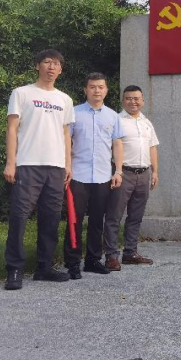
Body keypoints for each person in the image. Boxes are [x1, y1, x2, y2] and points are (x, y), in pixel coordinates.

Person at [3, 49, 75, 291]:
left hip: (55, 167)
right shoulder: (22, 93)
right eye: (47, 62)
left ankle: (44, 268)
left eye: (56, 64)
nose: (51, 67)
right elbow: (12, 129)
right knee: (19, 217)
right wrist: (11, 162)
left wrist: (68, 164)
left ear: (61, 70)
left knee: (51, 219)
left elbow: (66, 134)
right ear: (37, 66)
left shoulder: (64, 99)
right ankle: (14, 269)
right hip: (28, 164)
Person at [64, 72, 124, 279]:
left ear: (106, 90)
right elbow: (66, 141)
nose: (96, 90)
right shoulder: (74, 113)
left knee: (97, 220)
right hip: (77, 175)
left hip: (103, 176)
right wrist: (66, 167)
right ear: (85, 90)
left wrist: (118, 171)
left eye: (100, 87)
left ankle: (92, 260)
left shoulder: (113, 116)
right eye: (92, 87)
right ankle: (72, 262)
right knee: (75, 220)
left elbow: (117, 144)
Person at [103, 85, 159, 271]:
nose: (133, 102)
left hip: (143, 174)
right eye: (128, 98)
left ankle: (130, 253)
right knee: (114, 216)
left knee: (136, 216)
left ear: (143, 101)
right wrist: (117, 171)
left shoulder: (146, 122)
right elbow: (112, 146)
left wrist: (155, 172)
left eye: (136, 98)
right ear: (123, 100)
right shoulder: (117, 121)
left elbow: (152, 148)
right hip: (123, 173)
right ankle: (111, 256)